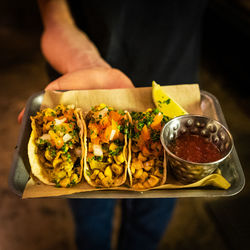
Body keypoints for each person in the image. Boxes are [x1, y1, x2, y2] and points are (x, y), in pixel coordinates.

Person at [19, 0, 208, 249]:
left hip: (175, 107)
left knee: (149, 222)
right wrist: (87, 63)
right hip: (83, 86)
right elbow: (56, 20)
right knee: (92, 222)